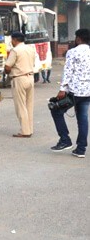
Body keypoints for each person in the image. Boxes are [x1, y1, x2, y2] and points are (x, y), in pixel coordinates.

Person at [50, 28, 90, 158]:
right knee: (83, 118)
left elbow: (68, 71)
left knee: (56, 110)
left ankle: (65, 140)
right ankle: (81, 149)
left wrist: (62, 89)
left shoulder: (72, 52)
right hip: (87, 91)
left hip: (75, 90)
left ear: (78, 38)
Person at [4, 31, 35, 138]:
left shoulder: (15, 50)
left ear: (15, 40)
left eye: (12, 40)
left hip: (19, 78)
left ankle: (24, 131)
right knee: (29, 105)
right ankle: (29, 129)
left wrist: (7, 72)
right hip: (30, 77)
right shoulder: (30, 49)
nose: (11, 42)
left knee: (21, 106)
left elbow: (8, 67)